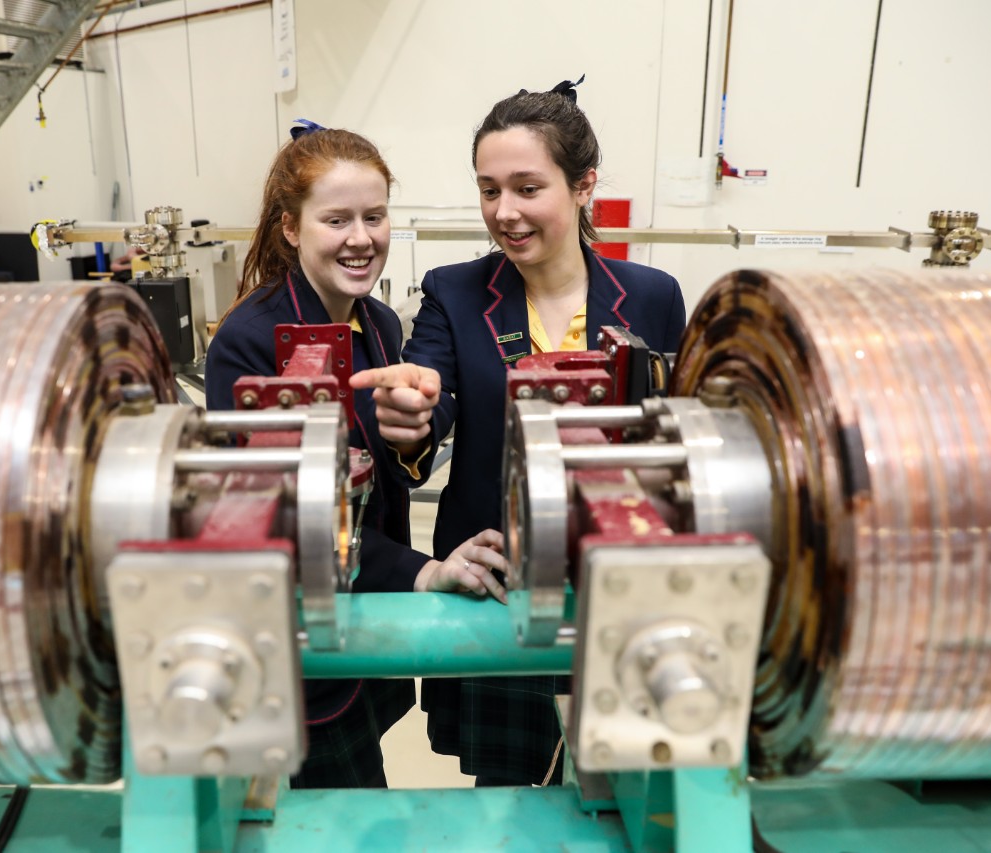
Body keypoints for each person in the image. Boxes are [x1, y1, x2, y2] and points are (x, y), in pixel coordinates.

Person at [351, 78, 687, 786]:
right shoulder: (456, 290)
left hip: (616, 589)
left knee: (622, 787)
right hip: (497, 581)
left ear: (583, 184)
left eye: (528, 187)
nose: (505, 212)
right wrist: (411, 423)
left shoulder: (651, 297)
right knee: (509, 799)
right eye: (488, 189)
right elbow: (430, 403)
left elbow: (670, 439)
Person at [204, 121, 508, 789]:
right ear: (291, 228)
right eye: (336, 219)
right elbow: (286, 517)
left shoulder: (377, 321)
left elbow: (382, 466)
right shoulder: (248, 343)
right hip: (301, 629)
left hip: (365, 607)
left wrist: (413, 437)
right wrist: (424, 572)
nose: (361, 237)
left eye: (374, 215)